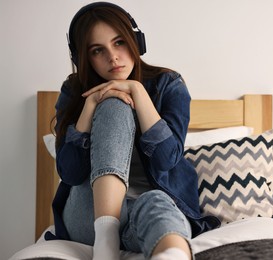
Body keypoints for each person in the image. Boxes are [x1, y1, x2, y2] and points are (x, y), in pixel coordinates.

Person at [47, 2, 220, 259]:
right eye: (97, 50)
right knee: (113, 105)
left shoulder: (168, 84)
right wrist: (91, 106)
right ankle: (105, 243)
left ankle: (172, 254)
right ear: (83, 57)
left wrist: (138, 93)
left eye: (119, 43)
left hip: (150, 209)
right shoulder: (73, 92)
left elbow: (166, 159)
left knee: (157, 202)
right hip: (88, 214)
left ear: (136, 41)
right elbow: (71, 173)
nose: (112, 57)